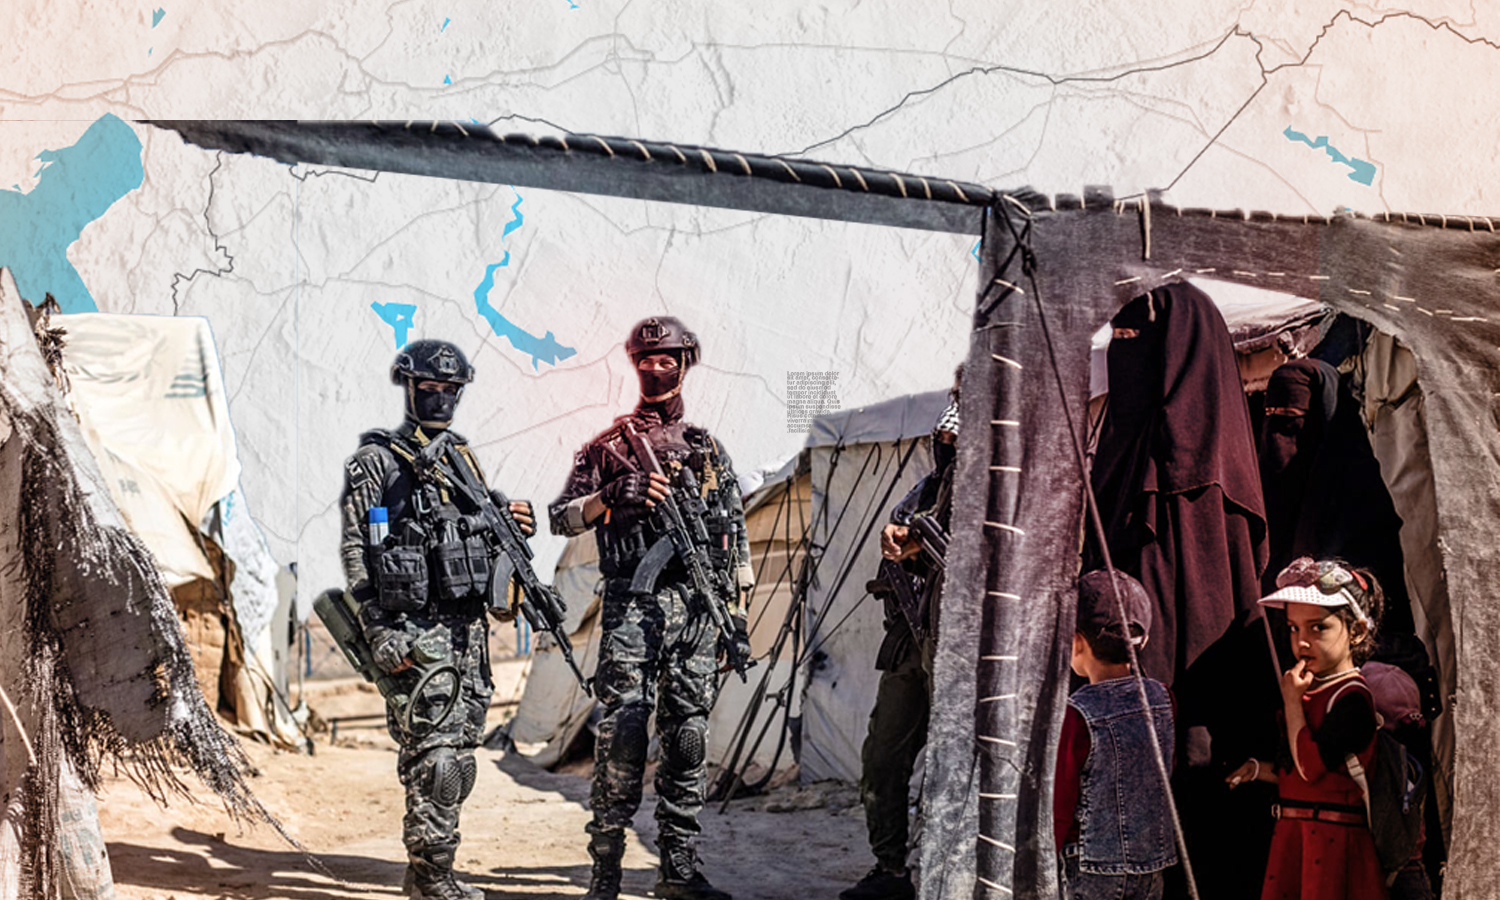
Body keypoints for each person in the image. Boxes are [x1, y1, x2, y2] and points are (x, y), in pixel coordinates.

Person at [548, 316, 753, 900]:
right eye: (646, 360)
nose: (657, 369)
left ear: (685, 365)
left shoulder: (707, 450)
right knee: (625, 731)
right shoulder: (608, 448)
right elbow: (562, 517)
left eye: (667, 360)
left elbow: (735, 536)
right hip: (633, 607)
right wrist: (610, 497)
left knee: (688, 734)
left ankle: (678, 870)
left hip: (698, 609)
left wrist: (735, 616)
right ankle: (606, 871)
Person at [339, 339, 537, 900]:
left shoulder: (461, 458)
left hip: (467, 632)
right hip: (415, 629)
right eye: (431, 387)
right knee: (437, 762)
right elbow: (360, 548)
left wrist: (507, 522)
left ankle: (429, 870)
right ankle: (432, 878)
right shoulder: (377, 462)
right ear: (409, 386)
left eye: (452, 389)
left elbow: (481, 534)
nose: (442, 398)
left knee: (461, 760)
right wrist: (379, 628)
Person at [839, 366, 961, 900]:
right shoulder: (935, 482)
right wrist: (901, 540)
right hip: (913, 636)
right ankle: (890, 869)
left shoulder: (1009, 477)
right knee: (884, 756)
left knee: (951, 769)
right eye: (957, 396)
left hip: (963, 649)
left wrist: (925, 541)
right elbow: (905, 526)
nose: (952, 425)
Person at [1225, 557, 1388, 900]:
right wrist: (1258, 770)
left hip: (1333, 844)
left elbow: (1312, 769)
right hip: (1298, 836)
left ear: (1356, 632)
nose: (1301, 642)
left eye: (1318, 628)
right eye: (1293, 628)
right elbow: (1297, 771)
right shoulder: (1310, 692)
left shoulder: (1352, 698)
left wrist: (1291, 702)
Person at [1054, 569, 1178, 900]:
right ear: (1144, 641)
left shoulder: (1077, 713)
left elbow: (1061, 801)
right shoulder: (1164, 698)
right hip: (1152, 865)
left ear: (1076, 641)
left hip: (1090, 868)